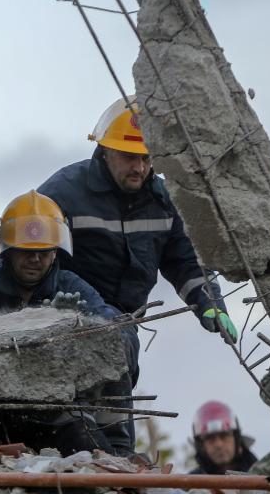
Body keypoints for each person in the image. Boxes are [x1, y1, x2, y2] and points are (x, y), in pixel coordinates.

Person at [38, 95, 235, 454]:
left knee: (114, 393)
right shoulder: (63, 192)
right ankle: (103, 453)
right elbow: (30, 255)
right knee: (75, 413)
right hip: (65, 324)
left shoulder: (163, 200)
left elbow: (186, 261)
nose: (140, 168)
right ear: (105, 151)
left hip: (124, 327)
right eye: (130, 157)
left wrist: (210, 303)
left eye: (147, 159)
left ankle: (114, 460)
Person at [0, 190, 121, 455]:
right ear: (8, 251)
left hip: (57, 414)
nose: (35, 259)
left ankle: (118, 462)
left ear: (56, 253)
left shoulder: (74, 289)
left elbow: (119, 342)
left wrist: (85, 326)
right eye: (26, 251)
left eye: (44, 252)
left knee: (91, 448)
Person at [189, 400, 257, 475]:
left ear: (236, 438)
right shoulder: (189, 483)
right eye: (209, 438)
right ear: (201, 445)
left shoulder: (265, 477)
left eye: (224, 435)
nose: (218, 445)